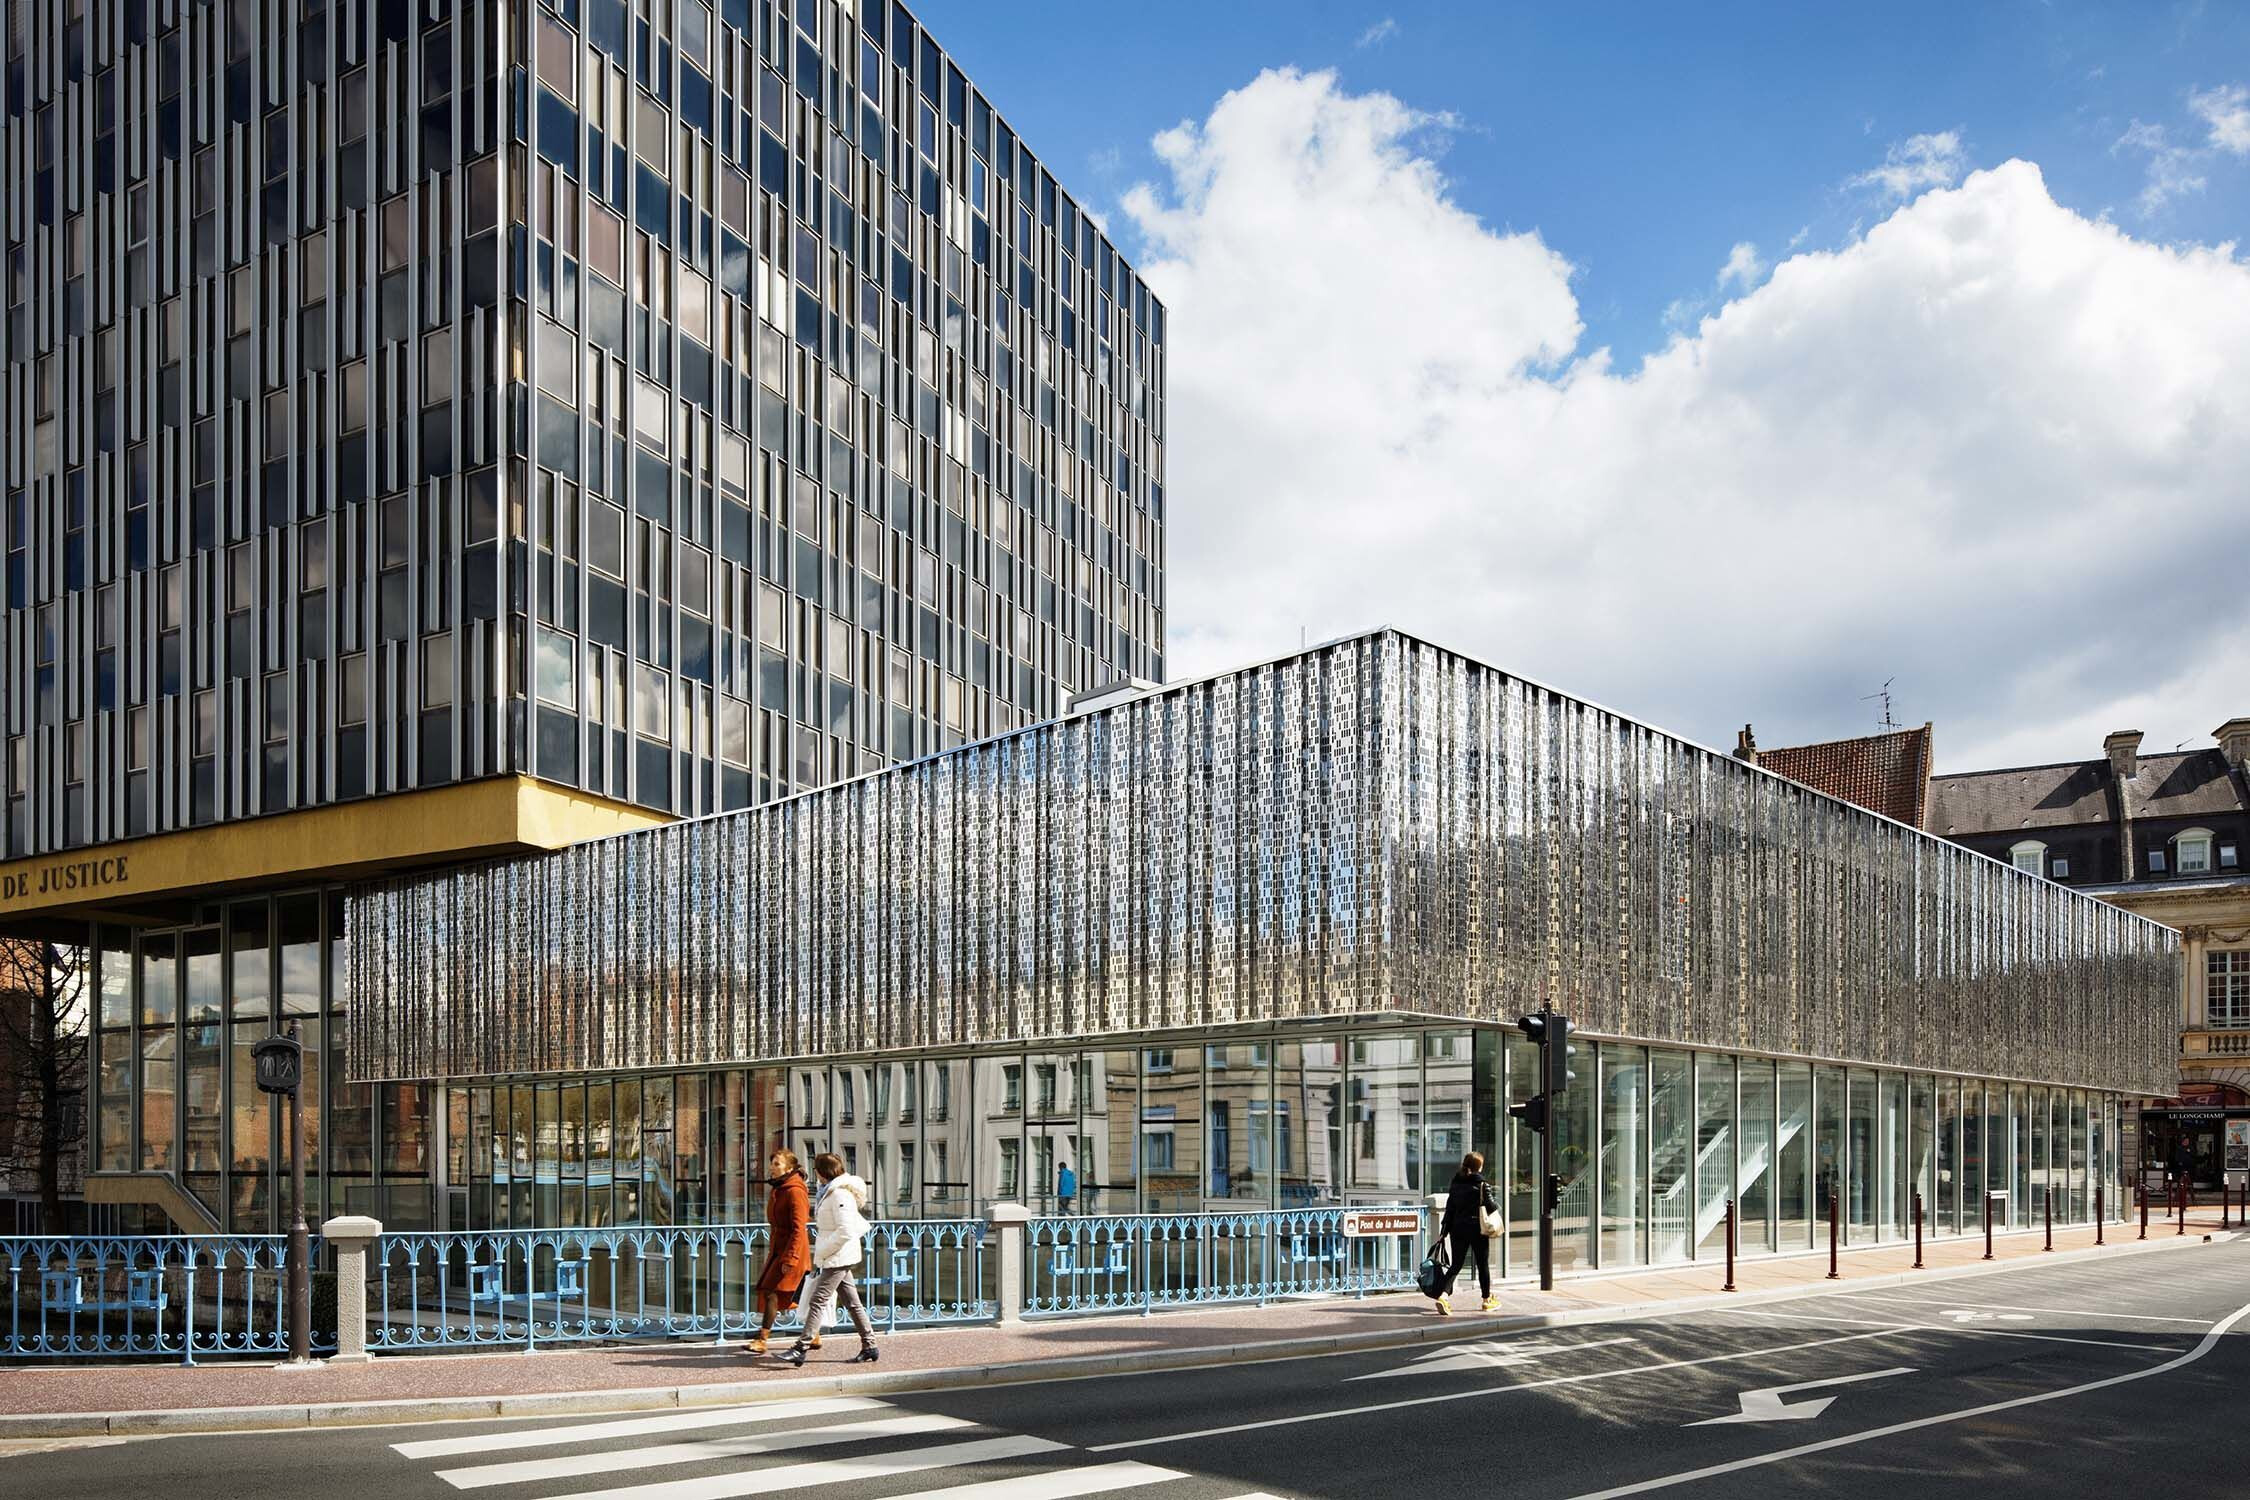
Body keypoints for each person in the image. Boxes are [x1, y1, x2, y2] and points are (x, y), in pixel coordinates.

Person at [781, 1152, 879, 1367]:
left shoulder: (839, 1195)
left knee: (818, 1300)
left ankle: (800, 1347)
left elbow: (845, 1230)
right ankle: (870, 1345)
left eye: (816, 1170)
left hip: (838, 1255)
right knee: (853, 1303)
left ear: (822, 1172)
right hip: (836, 1254)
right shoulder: (830, 1192)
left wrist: (823, 1250)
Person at [748, 1148, 810, 1356]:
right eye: (772, 1163)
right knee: (784, 1295)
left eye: (777, 1164)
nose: (772, 1167)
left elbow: (799, 1227)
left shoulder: (795, 1191)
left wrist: (791, 1257)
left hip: (792, 1251)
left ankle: (762, 1338)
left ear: (789, 1168)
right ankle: (814, 1332)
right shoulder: (780, 1188)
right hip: (778, 1249)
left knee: (773, 1292)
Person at [1434, 1150, 1498, 1315]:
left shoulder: (1456, 1184)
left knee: (1456, 1265)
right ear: (1479, 1167)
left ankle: (1443, 1296)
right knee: (1482, 1265)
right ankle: (1486, 1300)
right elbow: (1491, 1208)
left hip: (1458, 1229)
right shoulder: (1482, 1184)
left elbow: (1450, 1209)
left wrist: (1444, 1231)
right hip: (1478, 1230)